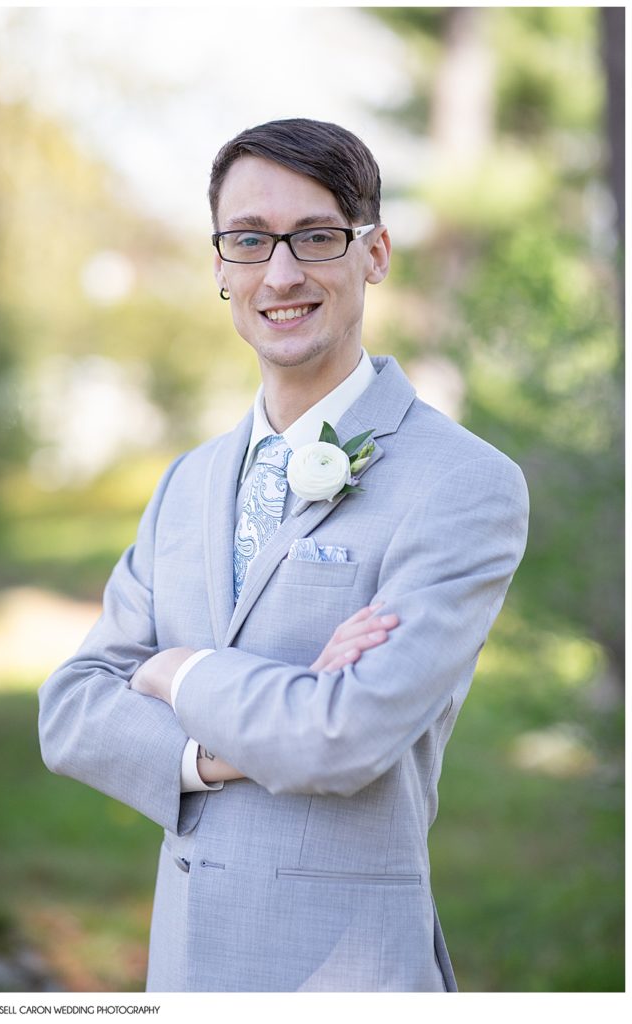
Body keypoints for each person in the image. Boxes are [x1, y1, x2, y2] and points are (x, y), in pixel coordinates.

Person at [38, 117, 529, 992]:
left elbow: (342, 739)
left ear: (372, 254)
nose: (281, 272)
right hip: (181, 975)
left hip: (344, 974)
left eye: (315, 236)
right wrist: (214, 755)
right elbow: (71, 711)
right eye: (249, 240)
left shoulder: (462, 484)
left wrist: (176, 670)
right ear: (219, 267)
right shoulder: (185, 484)